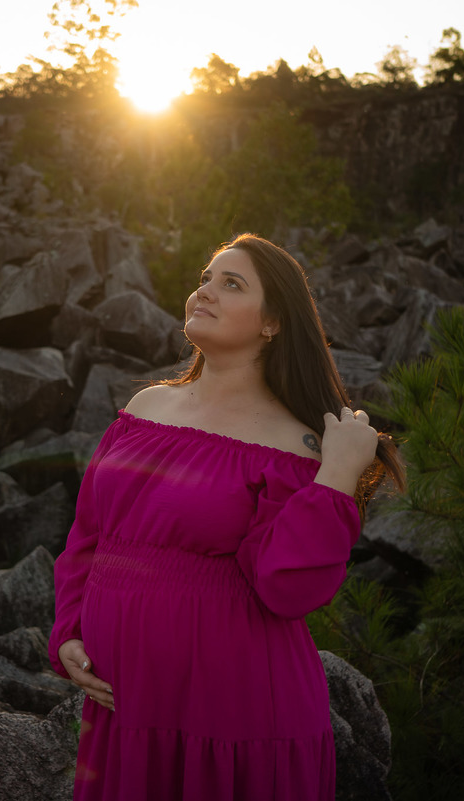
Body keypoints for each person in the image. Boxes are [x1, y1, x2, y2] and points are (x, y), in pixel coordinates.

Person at [47, 233, 406, 800]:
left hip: (232, 715)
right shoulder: (145, 408)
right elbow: (88, 536)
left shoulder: (295, 445)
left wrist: (337, 475)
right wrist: (68, 631)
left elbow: (287, 587)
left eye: (231, 284)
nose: (205, 292)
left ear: (273, 323)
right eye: (205, 279)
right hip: (127, 707)